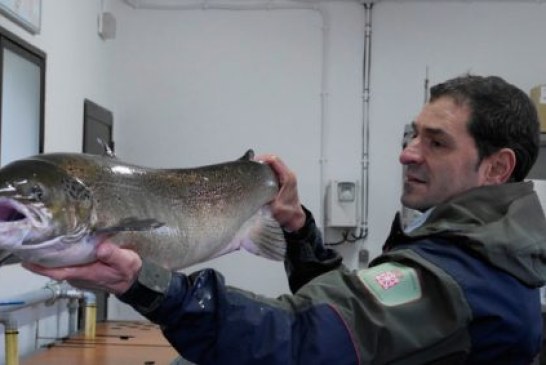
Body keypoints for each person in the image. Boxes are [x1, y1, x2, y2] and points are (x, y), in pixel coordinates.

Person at [25, 74, 546, 364]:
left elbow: (298, 339)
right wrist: (297, 228)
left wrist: (149, 284)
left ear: (497, 167)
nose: (408, 153)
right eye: (413, 134)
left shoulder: (459, 275)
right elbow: (354, 319)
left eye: (435, 142)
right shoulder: (464, 246)